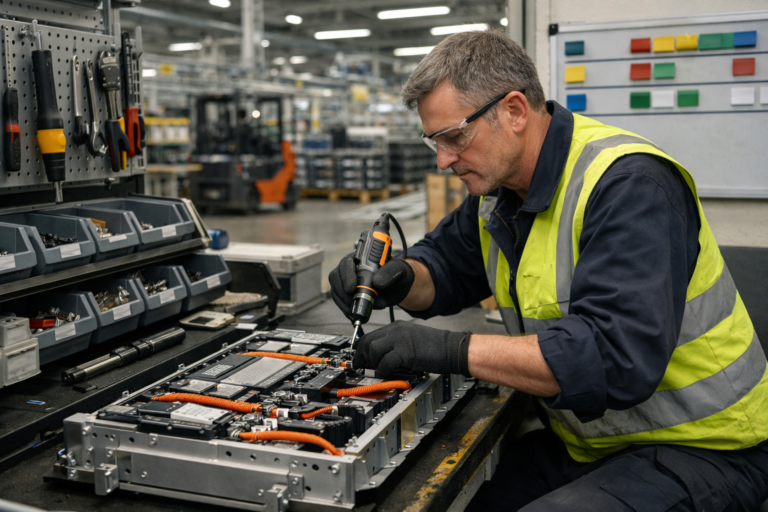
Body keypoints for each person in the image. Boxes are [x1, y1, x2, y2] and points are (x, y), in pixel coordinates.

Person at [329, 30, 768, 511]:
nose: (443, 160)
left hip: (706, 449)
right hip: (589, 443)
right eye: (434, 141)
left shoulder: (629, 186)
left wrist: (452, 350)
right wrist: (396, 279)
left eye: (454, 137)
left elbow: (614, 357)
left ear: (515, 111)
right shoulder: (496, 194)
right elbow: (445, 269)